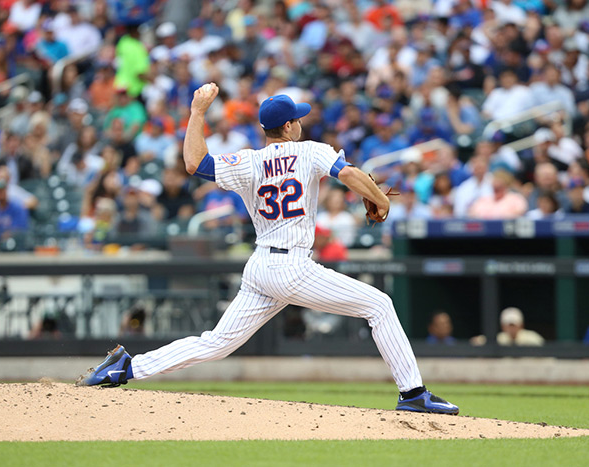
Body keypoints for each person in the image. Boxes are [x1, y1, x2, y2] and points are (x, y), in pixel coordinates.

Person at [77, 86, 458, 415]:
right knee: (379, 306)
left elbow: (194, 163)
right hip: (292, 266)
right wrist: (381, 199)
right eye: (298, 119)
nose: (301, 123)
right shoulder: (309, 151)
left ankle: (126, 367)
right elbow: (351, 174)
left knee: (217, 342)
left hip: (260, 265)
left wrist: (196, 112)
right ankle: (413, 394)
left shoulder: (249, 161)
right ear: (289, 126)